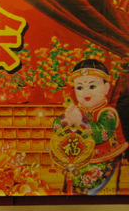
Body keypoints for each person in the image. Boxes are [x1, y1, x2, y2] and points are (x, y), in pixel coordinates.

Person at [53, 59, 128, 194]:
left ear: (106, 88)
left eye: (92, 87)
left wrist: (81, 122)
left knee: (97, 193)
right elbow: (57, 126)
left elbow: (101, 134)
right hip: (79, 159)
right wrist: (66, 120)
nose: (86, 92)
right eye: (80, 88)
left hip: (104, 159)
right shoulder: (77, 110)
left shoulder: (108, 112)